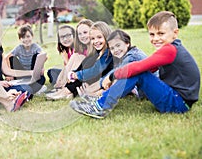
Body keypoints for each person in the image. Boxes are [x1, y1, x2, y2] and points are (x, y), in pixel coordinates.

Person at [70, 11, 200, 119]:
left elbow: (139, 67)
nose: (156, 38)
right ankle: (100, 101)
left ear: (175, 33)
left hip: (178, 103)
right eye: (152, 34)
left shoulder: (170, 50)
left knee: (136, 72)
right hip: (179, 100)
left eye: (161, 34)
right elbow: (150, 67)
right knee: (137, 72)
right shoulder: (172, 48)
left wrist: (111, 76)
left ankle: (100, 106)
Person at [47, 21, 113, 100]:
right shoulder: (97, 52)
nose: (96, 41)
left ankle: (67, 90)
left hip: (104, 79)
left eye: (99, 37)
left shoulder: (108, 53)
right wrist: (74, 73)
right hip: (94, 77)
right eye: (93, 38)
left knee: (82, 70)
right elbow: (83, 66)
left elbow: (95, 70)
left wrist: (76, 75)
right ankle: (66, 90)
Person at [77, 29, 148, 101]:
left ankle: (95, 95)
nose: (116, 50)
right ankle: (92, 93)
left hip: (147, 91)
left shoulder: (132, 56)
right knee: (115, 78)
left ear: (127, 43)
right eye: (112, 48)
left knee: (116, 78)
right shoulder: (125, 55)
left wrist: (101, 84)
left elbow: (117, 71)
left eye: (118, 45)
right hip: (141, 87)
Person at [2, 24, 46, 95]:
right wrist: (9, 75)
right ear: (20, 39)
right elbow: (6, 57)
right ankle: (30, 88)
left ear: (32, 36)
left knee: (37, 56)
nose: (26, 39)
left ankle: (33, 88)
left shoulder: (35, 47)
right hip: (21, 73)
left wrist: (41, 67)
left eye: (28, 36)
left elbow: (44, 55)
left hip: (33, 74)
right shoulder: (19, 48)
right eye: (23, 37)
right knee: (12, 58)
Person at [52, 19, 94, 91]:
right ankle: (61, 84)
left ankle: (63, 85)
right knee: (51, 71)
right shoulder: (68, 50)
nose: (65, 39)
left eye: (68, 35)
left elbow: (75, 67)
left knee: (76, 56)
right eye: (80, 34)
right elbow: (68, 67)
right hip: (75, 74)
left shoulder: (78, 49)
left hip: (82, 74)